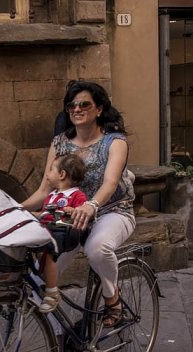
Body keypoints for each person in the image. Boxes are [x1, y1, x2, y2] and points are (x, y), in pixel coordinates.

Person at [22, 81, 135, 328]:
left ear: (99, 109)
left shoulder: (115, 142)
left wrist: (91, 205)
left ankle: (112, 300)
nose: (77, 109)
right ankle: (60, 344)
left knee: (97, 248)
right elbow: (45, 189)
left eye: (85, 104)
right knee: (40, 280)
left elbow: (110, 183)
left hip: (112, 211)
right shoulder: (60, 143)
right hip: (68, 218)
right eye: (72, 105)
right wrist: (16, 209)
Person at [35, 153, 87, 313]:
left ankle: (51, 292)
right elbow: (44, 215)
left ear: (62, 174)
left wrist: (74, 210)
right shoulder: (52, 196)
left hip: (63, 234)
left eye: (51, 169)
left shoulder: (76, 194)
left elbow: (83, 210)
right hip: (47, 232)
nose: (47, 174)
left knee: (49, 252)